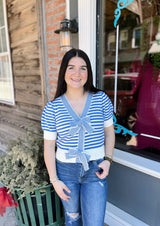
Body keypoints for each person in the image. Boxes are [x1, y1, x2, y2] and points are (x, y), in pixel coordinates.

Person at [41, 48, 115, 226]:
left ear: (88, 73)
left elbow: (109, 132)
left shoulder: (101, 99)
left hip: (95, 170)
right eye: (71, 67)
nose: (77, 73)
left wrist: (108, 160)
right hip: (65, 171)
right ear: (63, 72)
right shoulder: (52, 108)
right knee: (72, 219)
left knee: (94, 223)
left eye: (83, 68)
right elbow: (49, 147)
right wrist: (55, 181)